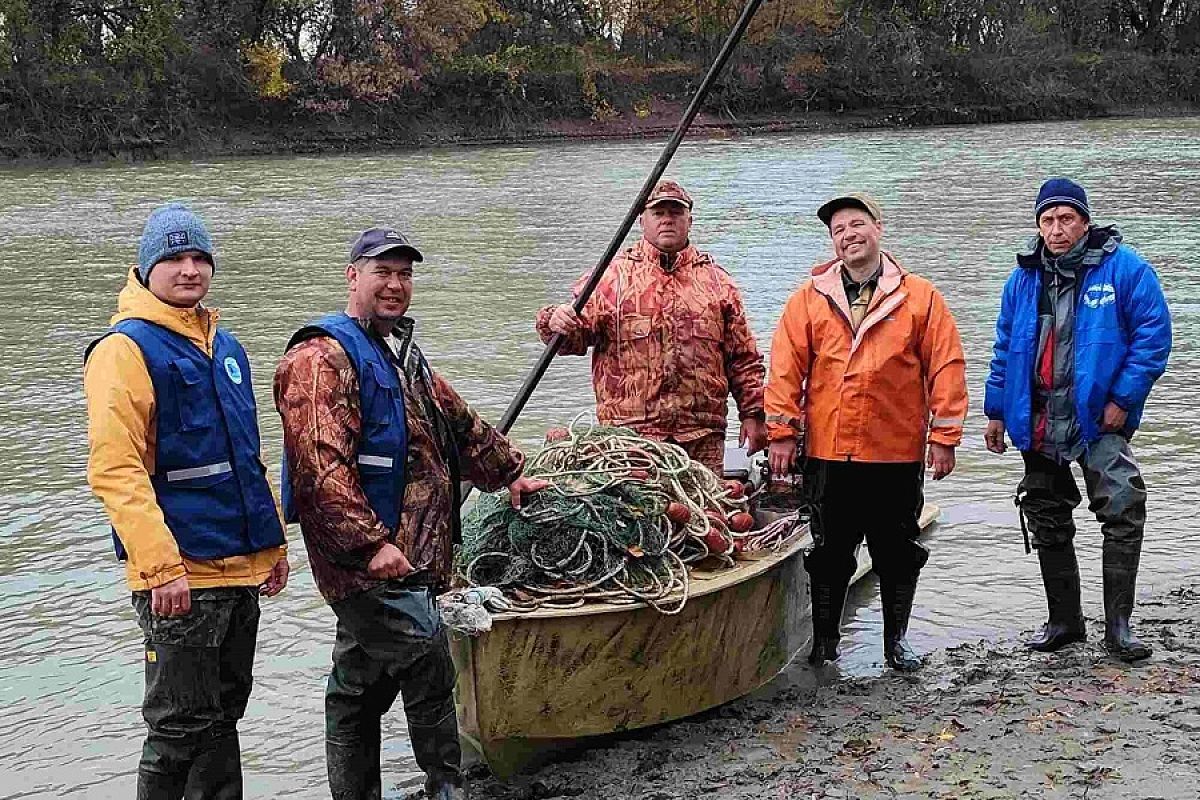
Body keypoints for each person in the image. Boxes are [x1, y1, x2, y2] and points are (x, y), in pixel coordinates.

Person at [275, 227, 546, 800]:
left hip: (415, 555)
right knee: (428, 660)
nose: (395, 285)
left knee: (358, 686)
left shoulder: (401, 351)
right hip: (368, 560)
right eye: (383, 273)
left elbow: (459, 422)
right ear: (353, 276)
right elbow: (319, 468)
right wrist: (371, 545)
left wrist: (510, 471)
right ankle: (446, 788)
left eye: (405, 274)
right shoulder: (320, 358)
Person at [84, 202, 290, 799]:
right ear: (145, 268)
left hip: (239, 567)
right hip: (180, 578)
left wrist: (272, 544)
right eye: (173, 257)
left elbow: (247, 455)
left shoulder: (224, 346)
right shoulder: (123, 351)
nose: (189, 269)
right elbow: (116, 470)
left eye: (200, 256)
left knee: (223, 719)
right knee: (177, 729)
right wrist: (160, 569)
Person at [766, 192, 968, 672]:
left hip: (895, 454)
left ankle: (895, 644)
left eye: (857, 224)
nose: (849, 236)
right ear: (832, 242)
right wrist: (781, 432)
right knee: (829, 553)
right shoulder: (807, 299)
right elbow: (784, 370)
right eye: (838, 231)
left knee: (897, 551)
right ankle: (824, 645)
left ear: (878, 227)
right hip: (829, 454)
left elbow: (947, 366)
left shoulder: (921, 297)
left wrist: (944, 436)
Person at [984, 178, 1171, 663]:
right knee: (1046, 514)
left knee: (1123, 506)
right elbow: (1004, 349)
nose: (1056, 228)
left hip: (1097, 415)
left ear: (1085, 222)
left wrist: (1124, 399)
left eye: (1066, 218)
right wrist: (996, 411)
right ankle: (1065, 622)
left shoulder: (1126, 270)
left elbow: (1154, 338)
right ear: (1038, 226)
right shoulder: (1021, 280)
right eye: (1047, 220)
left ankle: (1119, 628)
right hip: (1039, 416)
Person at [535, 179, 767, 474]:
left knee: (703, 513)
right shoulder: (610, 278)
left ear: (690, 221)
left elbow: (743, 359)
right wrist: (554, 319)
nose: (667, 219)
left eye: (676, 212)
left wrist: (753, 414)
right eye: (659, 213)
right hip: (628, 438)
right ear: (641, 220)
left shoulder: (718, 283)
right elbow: (572, 340)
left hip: (701, 437)